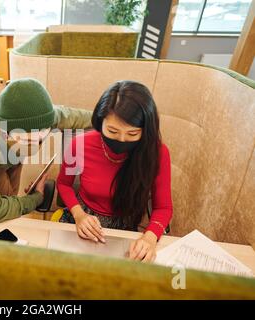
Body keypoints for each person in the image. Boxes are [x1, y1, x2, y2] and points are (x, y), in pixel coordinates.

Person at [56, 80, 173, 262]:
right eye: (112, 131)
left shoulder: (157, 153)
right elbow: (64, 184)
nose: (122, 139)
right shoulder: (79, 144)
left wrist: (150, 237)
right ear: (100, 121)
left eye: (132, 134)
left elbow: (163, 207)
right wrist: (79, 215)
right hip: (81, 218)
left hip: (124, 227)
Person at [0, 78, 93, 223]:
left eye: (41, 139)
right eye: (27, 142)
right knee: (2, 207)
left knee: (11, 197)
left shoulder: (44, 118)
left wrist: (107, 121)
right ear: (4, 133)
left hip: (9, 146)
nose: (34, 147)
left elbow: (76, 117)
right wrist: (35, 198)